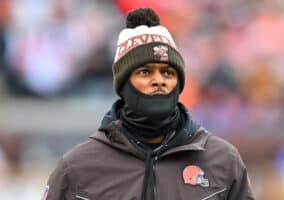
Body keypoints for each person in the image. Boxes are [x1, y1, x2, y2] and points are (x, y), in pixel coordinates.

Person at [42, 8, 255, 200]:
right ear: (124, 84)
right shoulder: (78, 168)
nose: (159, 80)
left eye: (168, 72)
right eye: (145, 72)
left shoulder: (223, 161)